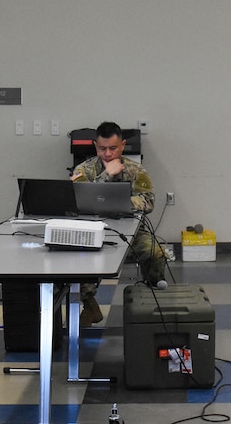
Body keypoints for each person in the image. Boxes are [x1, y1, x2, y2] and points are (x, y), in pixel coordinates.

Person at [70, 121, 166, 326]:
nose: (107, 154)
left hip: (131, 230)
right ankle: (89, 305)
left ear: (122, 145)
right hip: (93, 230)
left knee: (155, 252)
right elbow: (77, 200)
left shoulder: (135, 169)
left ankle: (152, 294)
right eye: (102, 148)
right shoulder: (83, 170)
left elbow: (149, 201)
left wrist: (121, 202)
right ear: (96, 146)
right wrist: (107, 176)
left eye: (113, 148)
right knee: (80, 260)